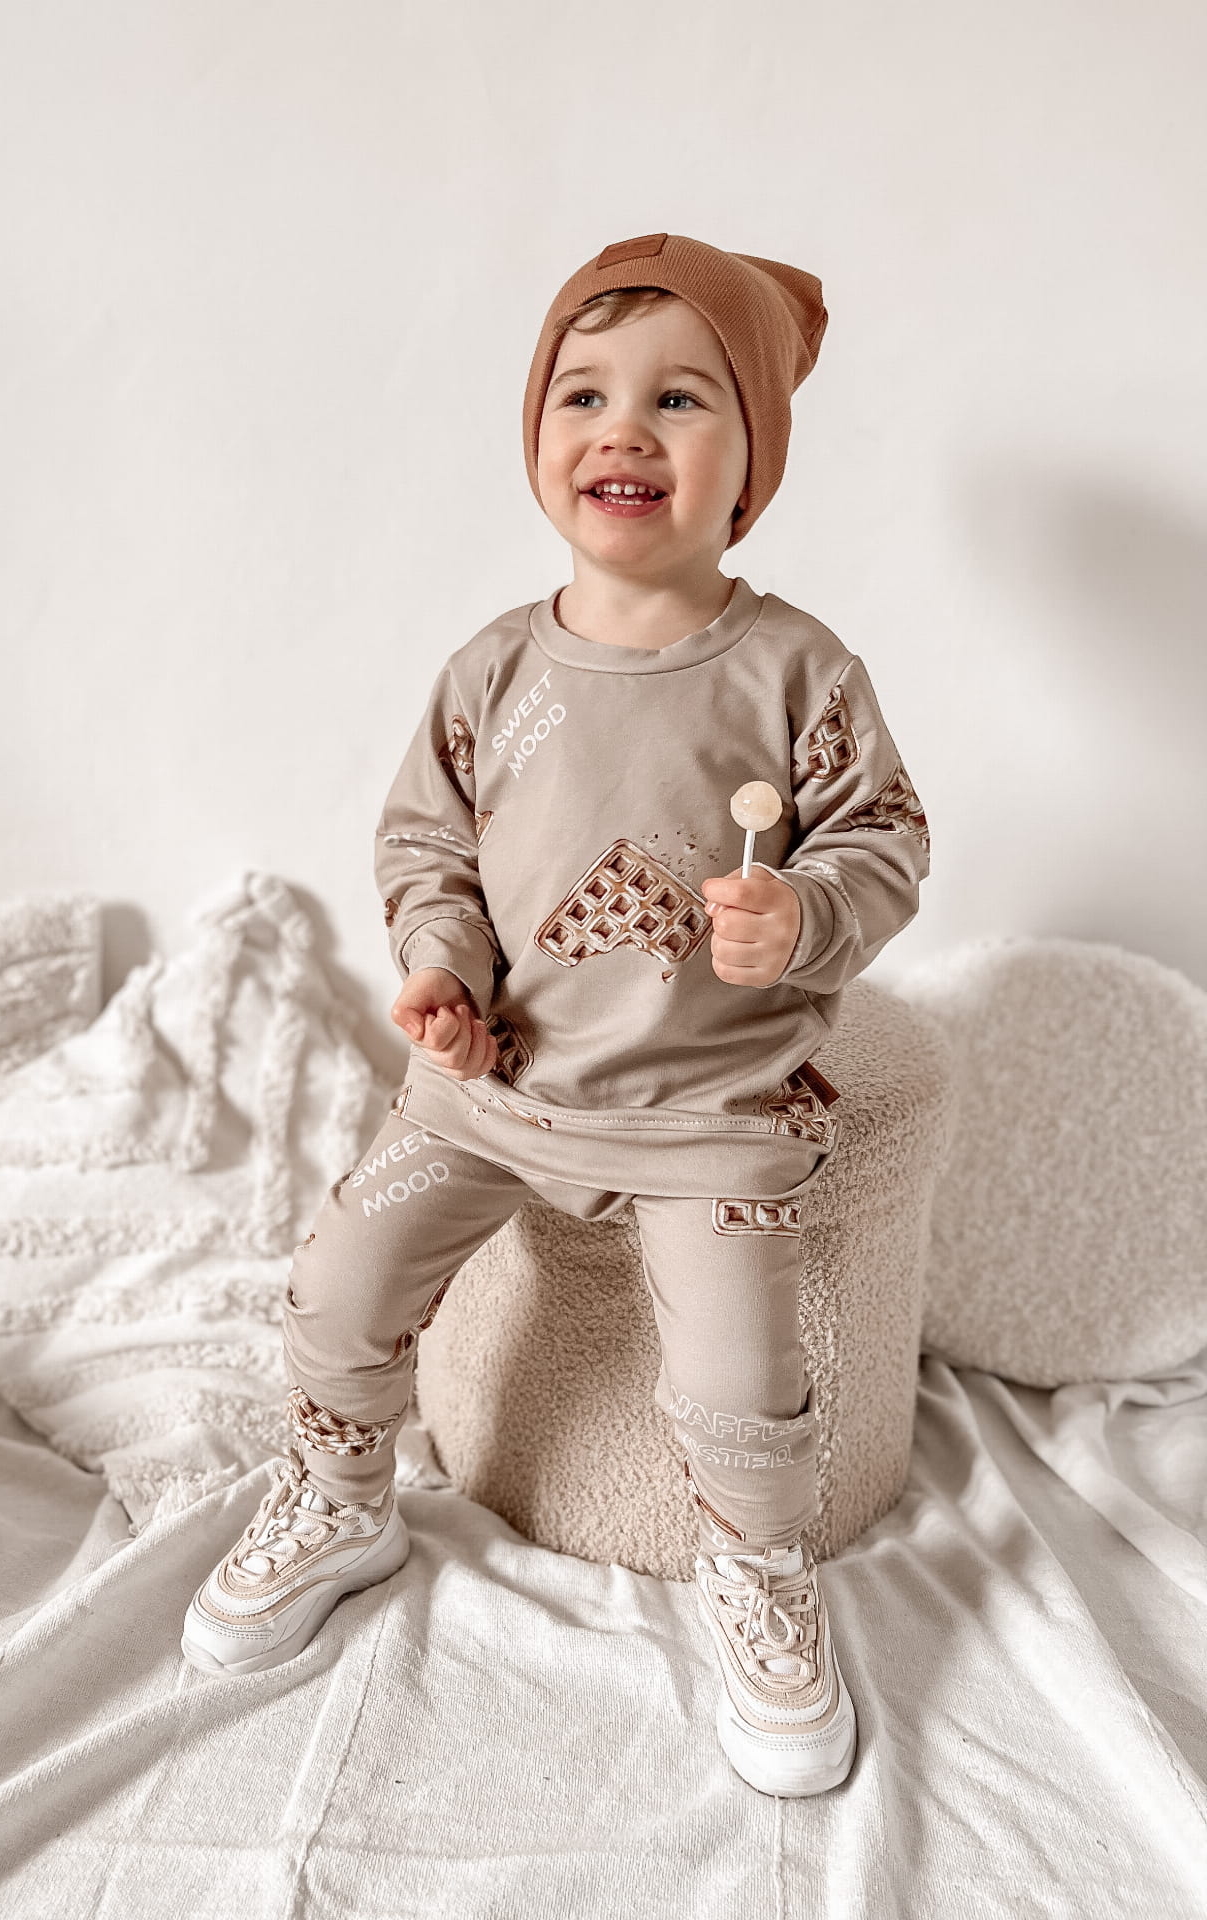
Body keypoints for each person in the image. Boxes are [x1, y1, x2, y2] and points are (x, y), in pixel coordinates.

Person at [182, 231, 930, 1800]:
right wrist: (446, 970)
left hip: (710, 1111)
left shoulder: (798, 672)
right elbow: (427, 847)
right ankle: (341, 1492)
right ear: (535, 436)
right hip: (496, 1091)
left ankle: (757, 1567)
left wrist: (805, 915)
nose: (624, 430)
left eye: (682, 399)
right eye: (582, 394)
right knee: (338, 1279)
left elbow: (883, 840)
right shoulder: (493, 673)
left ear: (752, 462)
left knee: (742, 1380)